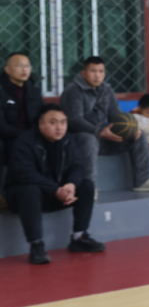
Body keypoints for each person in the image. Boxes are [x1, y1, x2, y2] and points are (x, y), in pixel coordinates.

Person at [5, 104, 104, 264]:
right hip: (26, 199)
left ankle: (79, 237)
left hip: (56, 194)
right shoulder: (24, 142)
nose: (59, 127)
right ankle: (36, 244)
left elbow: (77, 167)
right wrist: (55, 189)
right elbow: (25, 174)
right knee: (29, 190)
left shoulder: (68, 140)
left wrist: (70, 185)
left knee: (86, 185)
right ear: (40, 123)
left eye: (63, 122)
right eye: (53, 122)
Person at [62, 56, 149, 193]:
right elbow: (74, 120)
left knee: (140, 136)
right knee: (89, 139)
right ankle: (88, 187)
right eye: (93, 71)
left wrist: (132, 128)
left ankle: (143, 181)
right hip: (79, 139)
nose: (97, 75)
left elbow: (116, 114)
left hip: (105, 137)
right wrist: (98, 131)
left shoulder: (106, 90)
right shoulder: (73, 90)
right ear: (83, 73)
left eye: (101, 71)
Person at [0, 53, 43, 199]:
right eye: (19, 66)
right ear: (7, 69)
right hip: (8, 137)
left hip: (31, 136)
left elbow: (43, 116)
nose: (24, 70)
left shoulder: (34, 91)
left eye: (27, 66)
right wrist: (25, 136)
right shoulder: (2, 91)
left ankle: (53, 187)